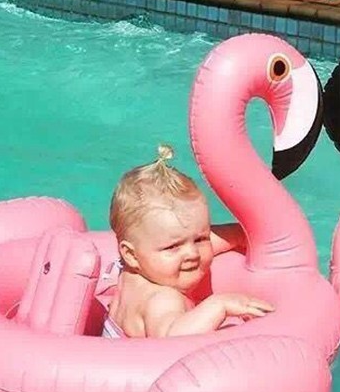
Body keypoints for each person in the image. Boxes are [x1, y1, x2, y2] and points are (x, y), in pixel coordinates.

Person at [103, 144, 273, 338]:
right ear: (131, 254)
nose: (193, 254)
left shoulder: (131, 271)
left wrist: (241, 234)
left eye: (200, 239)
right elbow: (172, 337)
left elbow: (196, 241)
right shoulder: (163, 298)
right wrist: (220, 305)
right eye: (174, 246)